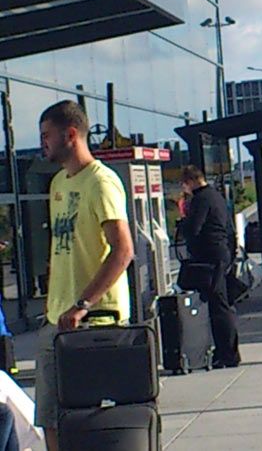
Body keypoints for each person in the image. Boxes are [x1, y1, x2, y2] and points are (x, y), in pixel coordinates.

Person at [34, 101, 135, 450]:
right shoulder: (58, 184)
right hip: (57, 319)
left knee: (89, 417)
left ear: (71, 134)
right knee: (50, 417)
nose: (43, 143)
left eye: (47, 135)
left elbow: (123, 250)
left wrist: (82, 304)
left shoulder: (101, 182)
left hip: (93, 321)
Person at [180, 165, 241, 369]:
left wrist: (183, 224)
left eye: (184, 184)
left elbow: (194, 228)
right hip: (221, 254)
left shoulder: (200, 199)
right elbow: (229, 229)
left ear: (190, 181)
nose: (184, 188)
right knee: (222, 303)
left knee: (218, 306)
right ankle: (227, 351)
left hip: (209, 256)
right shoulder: (216, 196)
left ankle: (227, 354)